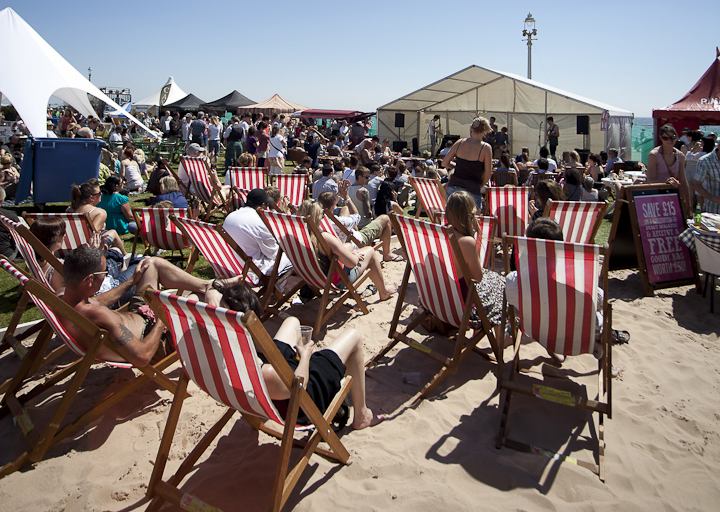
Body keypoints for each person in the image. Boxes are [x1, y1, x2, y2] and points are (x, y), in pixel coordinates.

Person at [217, 283, 384, 428]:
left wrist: (212, 289)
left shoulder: (217, 344)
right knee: (354, 336)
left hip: (264, 369)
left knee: (293, 322)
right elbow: (298, 387)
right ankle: (362, 415)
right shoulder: (264, 373)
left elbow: (212, 292)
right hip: (302, 396)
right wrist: (305, 357)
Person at [58, 245, 242, 367]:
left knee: (151, 264)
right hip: (155, 340)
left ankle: (207, 284)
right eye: (104, 273)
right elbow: (142, 357)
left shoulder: (64, 299)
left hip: (140, 316)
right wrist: (163, 317)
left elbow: (98, 301)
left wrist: (131, 282)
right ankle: (219, 296)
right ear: (90, 280)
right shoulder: (98, 315)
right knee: (197, 299)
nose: (106, 276)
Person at [296, 201, 397, 301]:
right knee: (370, 251)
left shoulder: (296, 236)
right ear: (318, 218)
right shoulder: (324, 238)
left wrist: (349, 253)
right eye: (322, 215)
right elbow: (351, 263)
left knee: (349, 246)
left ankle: (347, 254)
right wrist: (355, 256)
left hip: (311, 277)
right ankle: (383, 291)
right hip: (335, 280)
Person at [444, 191, 505, 340]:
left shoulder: (439, 233)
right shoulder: (466, 242)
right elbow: (477, 278)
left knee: (493, 279)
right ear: (467, 216)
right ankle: (501, 338)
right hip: (461, 308)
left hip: (438, 302)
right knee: (500, 285)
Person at [222, 188, 292, 277]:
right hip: (249, 272)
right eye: (266, 205)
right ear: (262, 205)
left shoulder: (230, 216)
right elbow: (272, 254)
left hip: (228, 267)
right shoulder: (260, 222)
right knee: (291, 257)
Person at [317, 188, 399, 262]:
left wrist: (339, 195)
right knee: (385, 218)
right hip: (357, 241)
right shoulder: (340, 222)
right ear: (333, 205)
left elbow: (333, 207)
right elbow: (357, 216)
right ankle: (387, 254)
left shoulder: (318, 222)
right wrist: (347, 198)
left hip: (340, 241)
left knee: (345, 209)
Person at [66, 178, 128, 256]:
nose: (101, 194)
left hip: (69, 247)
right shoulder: (99, 212)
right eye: (99, 193)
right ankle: (125, 256)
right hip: (89, 250)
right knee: (113, 232)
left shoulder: (69, 210)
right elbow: (91, 236)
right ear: (91, 198)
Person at [442, 117, 493, 210]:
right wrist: (480, 185)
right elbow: (488, 174)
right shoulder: (486, 148)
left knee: (453, 218)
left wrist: (457, 167)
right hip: (472, 189)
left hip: (453, 187)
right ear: (485, 131)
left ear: (471, 129)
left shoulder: (459, 142)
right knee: (472, 220)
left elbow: (444, 163)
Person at [647, 124, 690, 209]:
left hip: (672, 195)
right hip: (656, 195)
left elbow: (683, 181)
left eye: (672, 137)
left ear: (676, 137)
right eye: (665, 138)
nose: (669, 140)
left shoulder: (680, 155)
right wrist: (666, 181)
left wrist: (689, 205)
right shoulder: (654, 155)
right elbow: (650, 180)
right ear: (660, 138)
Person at [694, 138, 720, 214]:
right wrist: (713, 198)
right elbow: (697, 185)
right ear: (718, 146)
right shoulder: (705, 161)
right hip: (714, 210)